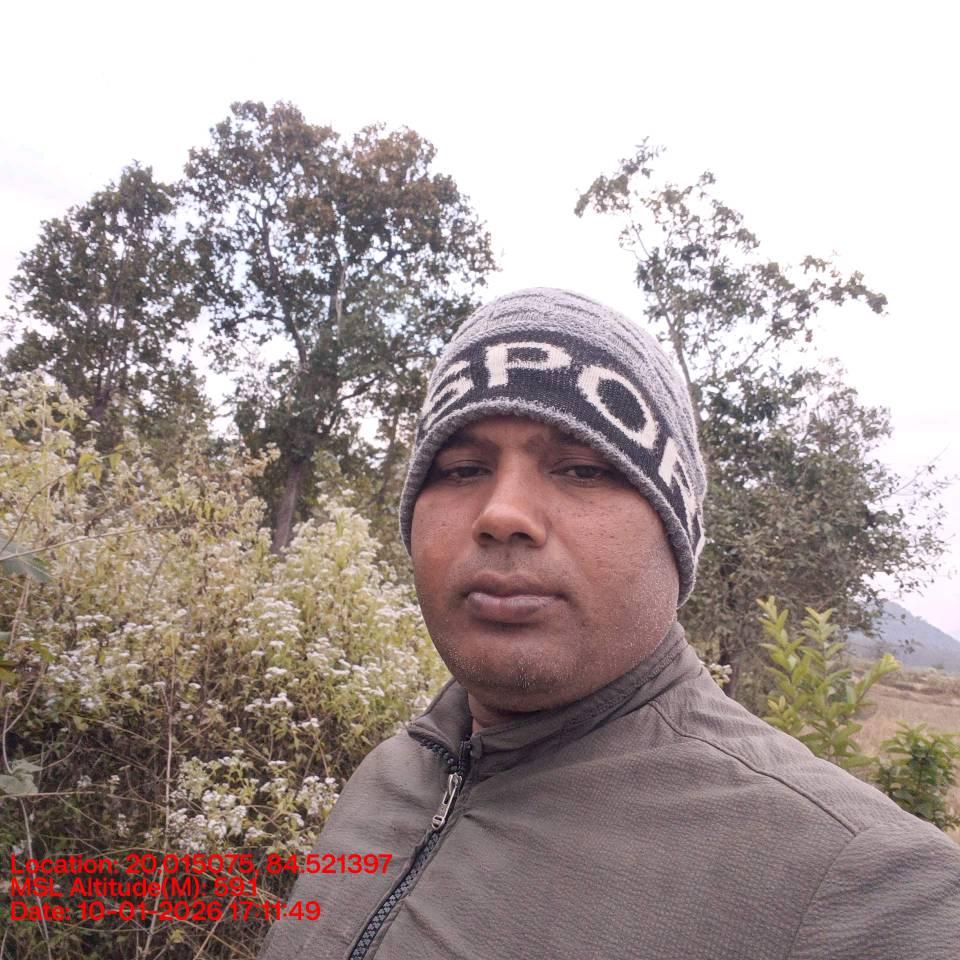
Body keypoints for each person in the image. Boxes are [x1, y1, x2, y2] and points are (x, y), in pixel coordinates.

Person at [258, 288, 960, 960]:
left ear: (675, 533)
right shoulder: (390, 773)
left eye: (583, 469)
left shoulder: (871, 888)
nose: (502, 514)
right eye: (463, 468)